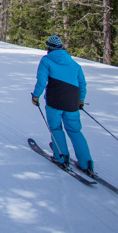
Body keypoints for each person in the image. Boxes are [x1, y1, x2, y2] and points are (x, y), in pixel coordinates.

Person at [31, 35, 93, 173]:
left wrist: (36, 96)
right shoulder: (74, 64)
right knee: (74, 130)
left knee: (56, 128)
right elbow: (82, 84)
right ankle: (86, 163)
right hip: (72, 103)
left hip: (54, 102)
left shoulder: (46, 61)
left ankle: (61, 157)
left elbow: (41, 82)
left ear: (49, 47)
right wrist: (80, 100)